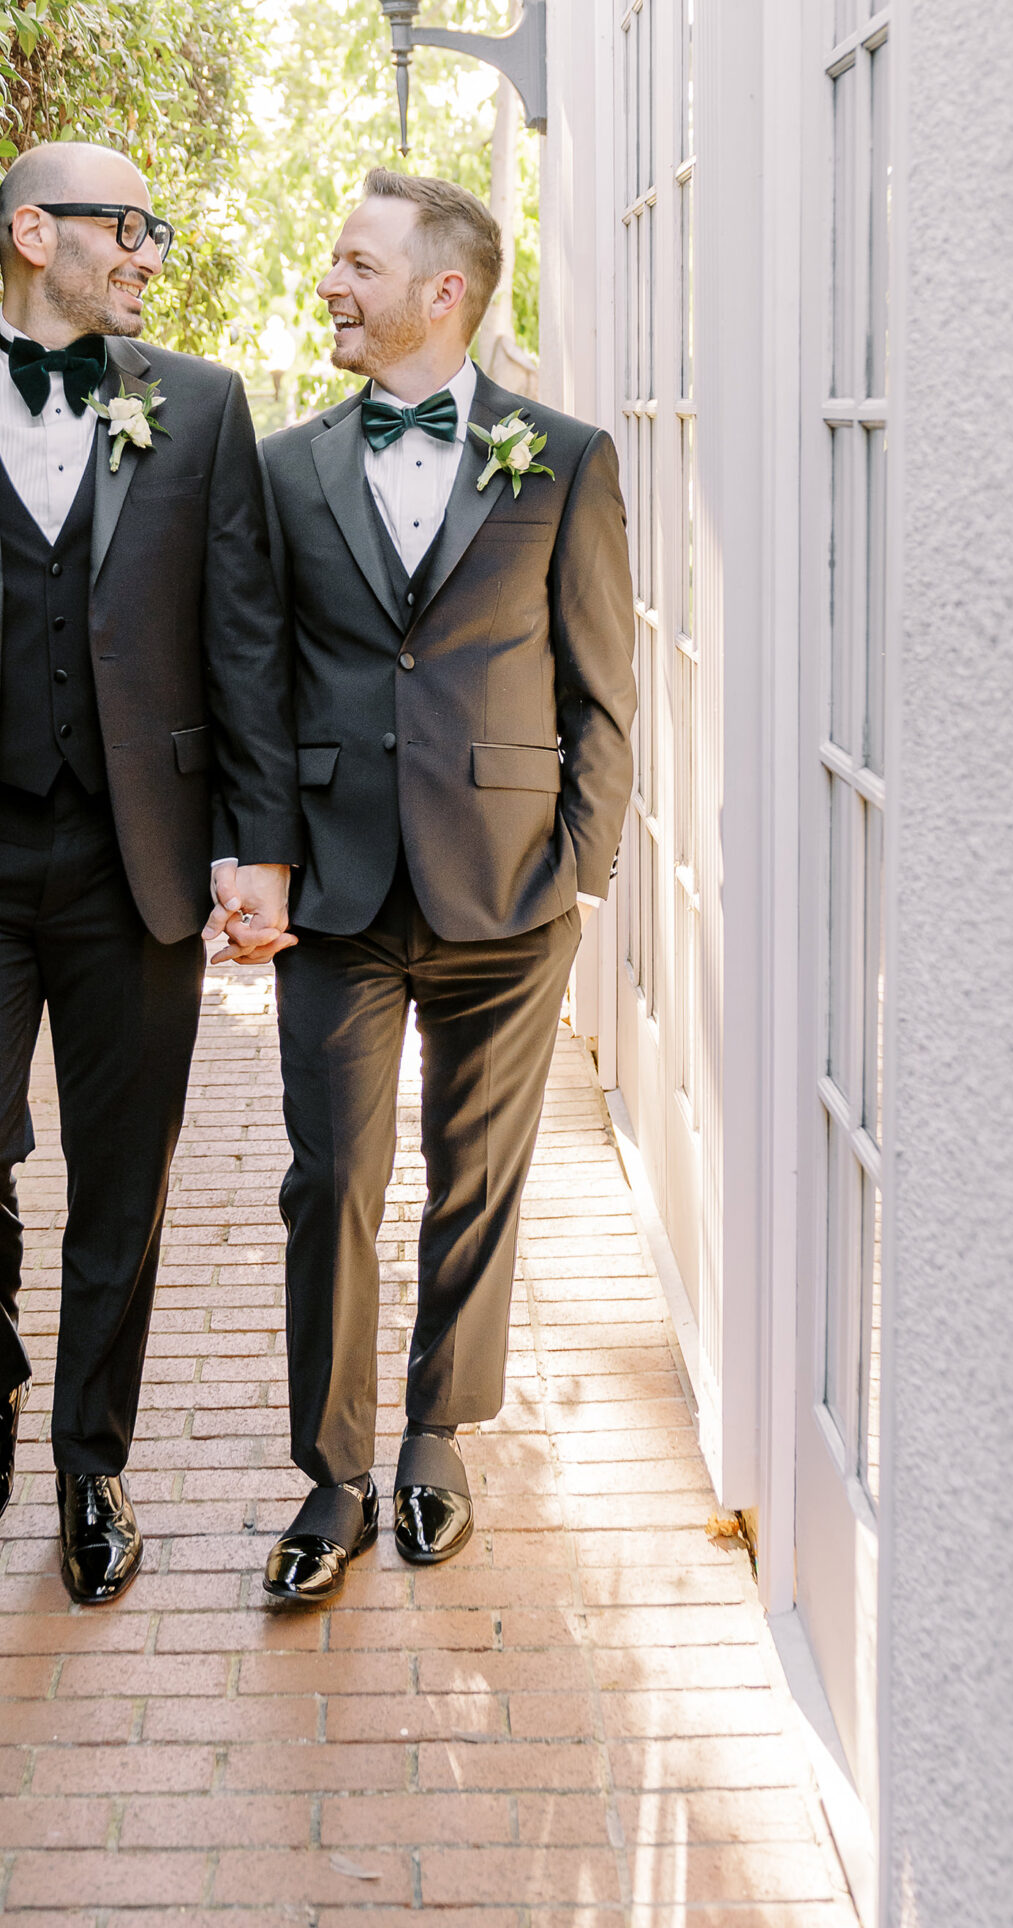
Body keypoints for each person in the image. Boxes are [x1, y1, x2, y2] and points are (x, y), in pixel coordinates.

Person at [0, 140, 299, 1600]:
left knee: (122, 1175)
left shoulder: (201, 406)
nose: (150, 255)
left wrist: (256, 846)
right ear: (36, 233)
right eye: (130, 228)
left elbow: (241, 639)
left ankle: (89, 1462)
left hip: (135, 860)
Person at [215, 166, 635, 1603]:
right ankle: (329, 1475)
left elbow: (599, 687)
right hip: (336, 892)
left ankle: (436, 1436)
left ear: (441, 290)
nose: (329, 282)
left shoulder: (564, 459)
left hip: (509, 890)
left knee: (477, 1176)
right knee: (330, 1178)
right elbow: (252, 681)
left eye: (357, 263)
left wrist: (582, 874)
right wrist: (258, 853)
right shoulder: (285, 468)